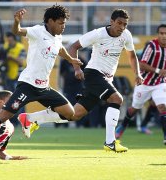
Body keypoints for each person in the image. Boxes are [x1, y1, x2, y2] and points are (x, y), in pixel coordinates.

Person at [0, 5, 83, 163]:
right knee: (4, 115)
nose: (64, 26)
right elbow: (17, 31)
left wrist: (71, 60)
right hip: (28, 85)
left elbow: (60, 48)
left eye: (64, 23)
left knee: (70, 113)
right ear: (50, 21)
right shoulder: (38, 31)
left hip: (44, 87)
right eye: (61, 23)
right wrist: (16, 22)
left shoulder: (57, 36)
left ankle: (30, 119)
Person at [19, 9, 143, 152]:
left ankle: (30, 118)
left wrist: (137, 74)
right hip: (93, 75)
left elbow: (132, 56)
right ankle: (110, 142)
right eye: (119, 23)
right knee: (117, 99)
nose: (121, 27)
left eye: (125, 24)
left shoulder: (126, 35)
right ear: (111, 22)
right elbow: (73, 47)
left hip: (106, 79)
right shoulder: (98, 34)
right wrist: (77, 68)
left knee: (75, 114)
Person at [115, 24, 166, 145]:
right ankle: (121, 127)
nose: (164, 36)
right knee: (134, 109)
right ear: (158, 34)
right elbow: (142, 64)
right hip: (144, 83)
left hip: (160, 83)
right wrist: (160, 71)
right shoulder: (151, 46)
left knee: (162, 106)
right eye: (161, 33)